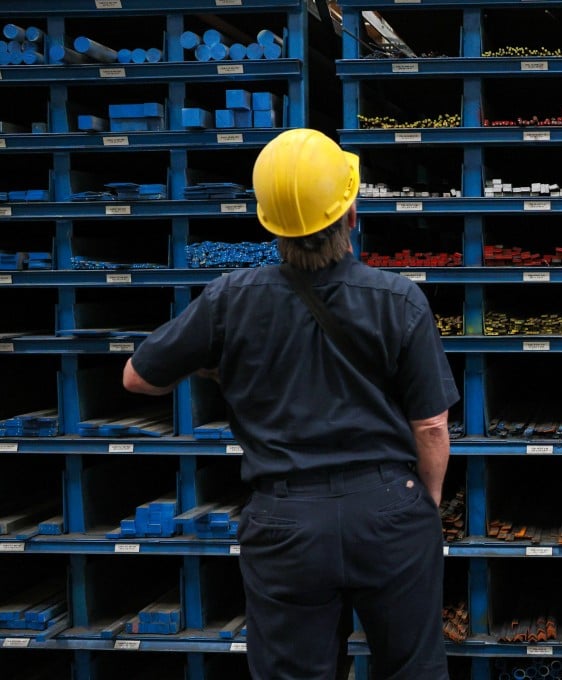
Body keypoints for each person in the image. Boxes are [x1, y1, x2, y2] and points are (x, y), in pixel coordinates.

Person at [122, 128, 459, 680]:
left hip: (286, 522)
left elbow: (138, 378)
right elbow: (430, 426)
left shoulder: (230, 298)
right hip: (388, 513)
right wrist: (423, 505)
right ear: (351, 213)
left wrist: (212, 363)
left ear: (269, 223)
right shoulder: (400, 299)